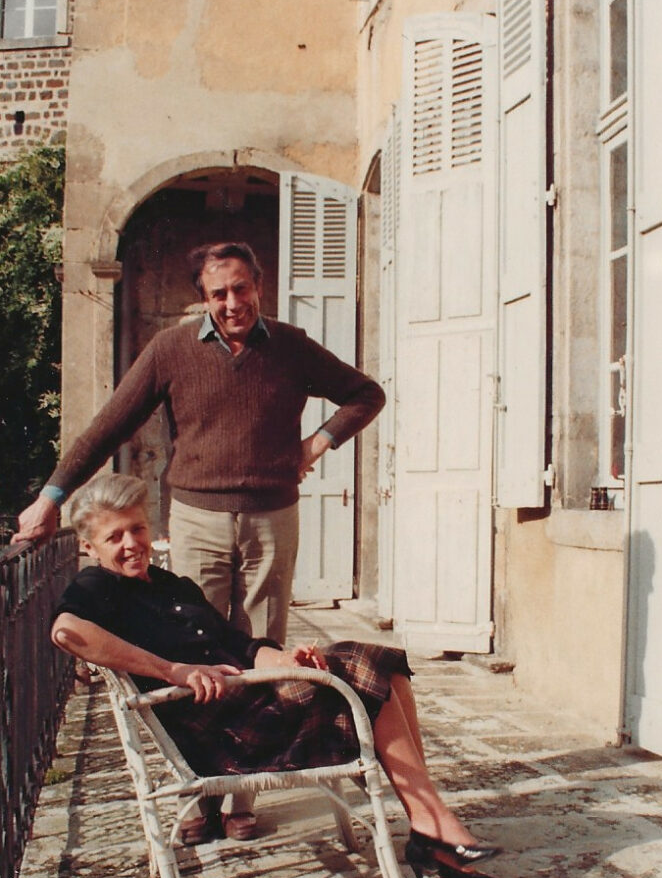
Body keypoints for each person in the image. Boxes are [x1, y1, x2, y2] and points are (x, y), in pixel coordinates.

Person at [50, 473, 500, 878]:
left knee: (384, 668)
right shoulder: (96, 587)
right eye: (114, 537)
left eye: (137, 529)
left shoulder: (173, 586)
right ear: (89, 546)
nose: (131, 543)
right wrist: (172, 670)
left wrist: (288, 659)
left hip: (250, 708)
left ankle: (431, 826)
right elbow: (66, 632)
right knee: (358, 663)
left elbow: (242, 646)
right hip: (222, 739)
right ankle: (431, 831)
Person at [14, 240, 385, 646]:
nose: (233, 303)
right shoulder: (170, 349)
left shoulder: (291, 346)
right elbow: (108, 428)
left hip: (272, 520)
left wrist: (316, 443)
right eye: (219, 294)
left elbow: (366, 394)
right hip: (198, 522)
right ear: (204, 299)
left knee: (266, 644)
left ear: (258, 286)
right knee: (195, 640)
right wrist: (49, 500)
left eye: (241, 288)